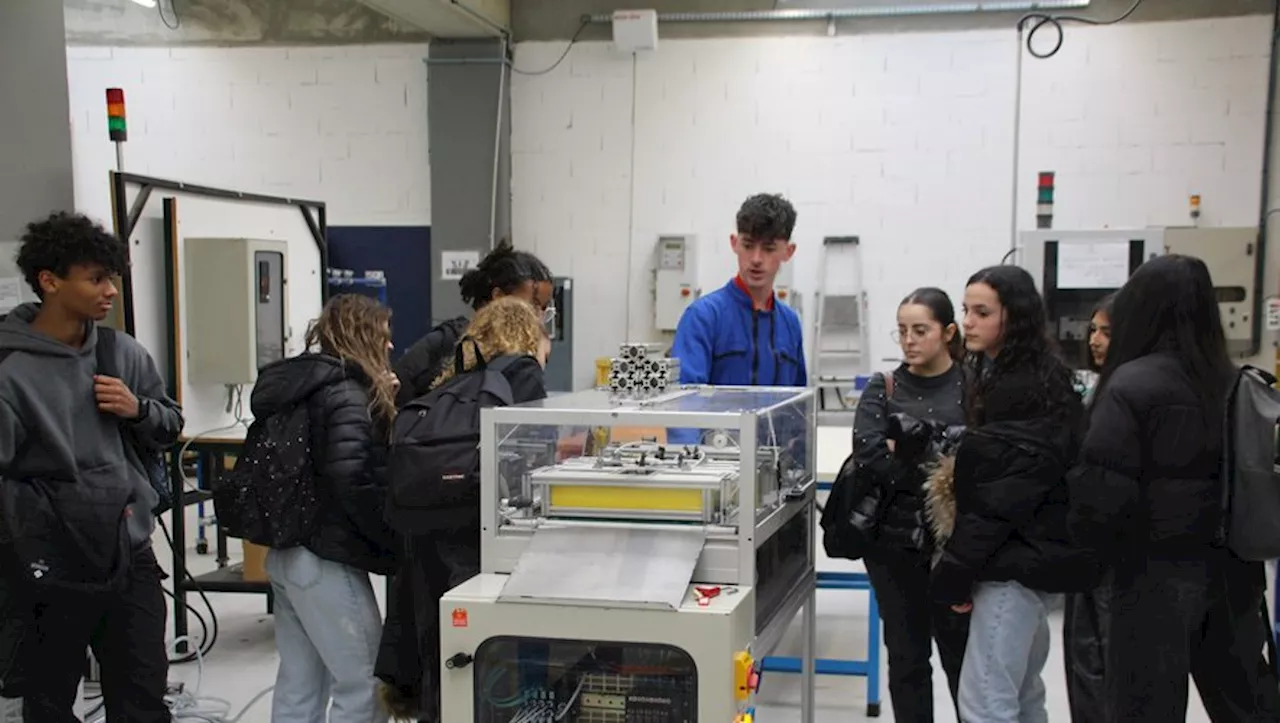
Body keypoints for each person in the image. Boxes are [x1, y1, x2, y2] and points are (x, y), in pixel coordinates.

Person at [1068, 254, 1280, 722]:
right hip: (1234, 572)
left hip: (1152, 576)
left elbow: (1102, 493)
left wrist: (1083, 560)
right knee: (1244, 702)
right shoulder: (1233, 380)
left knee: (1146, 706)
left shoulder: (1131, 383)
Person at [0, 211, 183, 722]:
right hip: (50, 562)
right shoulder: (10, 372)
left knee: (143, 697)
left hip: (129, 554)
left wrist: (138, 409)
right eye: (96, 279)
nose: (111, 292)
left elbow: (170, 425)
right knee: (49, 699)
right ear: (50, 281)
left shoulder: (119, 353)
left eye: (113, 279)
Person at [928, 265, 1091, 723]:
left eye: (982, 312)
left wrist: (954, 575)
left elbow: (994, 506)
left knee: (985, 704)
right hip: (1031, 563)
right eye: (966, 310)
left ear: (1013, 317)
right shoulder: (1032, 377)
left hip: (1011, 568)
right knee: (1022, 694)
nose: (969, 322)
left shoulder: (1019, 391)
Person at [379, 296, 550, 723]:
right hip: (475, 540)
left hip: (423, 540)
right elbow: (533, 460)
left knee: (441, 653)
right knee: (488, 660)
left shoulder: (452, 382)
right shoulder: (521, 373)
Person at [252, 294, 400, 723]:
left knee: (300, 687)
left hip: (287, 555)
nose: (390, 347)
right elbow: (352, 479)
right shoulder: (348, 394)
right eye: (384, 337)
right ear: (364, 336)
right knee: (366, 687)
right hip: (325, 561)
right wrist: (391, 542)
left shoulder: (305, 385)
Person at [846, 288, 969, 722]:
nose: (909, 340)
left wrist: (912, 452)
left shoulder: (973, 386)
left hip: (956, 548)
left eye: (920, 330)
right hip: (893, 548)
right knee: (907, 659)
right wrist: (940, 463)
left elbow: (983, 458)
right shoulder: (886, 386)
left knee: (964, 661)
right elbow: (870, 454)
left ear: (948, 332)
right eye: (902, 331)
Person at [671, 193, 806, 388]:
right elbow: (686, 401)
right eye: (748, 246)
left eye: (768, 249)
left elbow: (798, 405)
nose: (756, 259)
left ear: (788, 251)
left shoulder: (790, 324)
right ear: (734, 243)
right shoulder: (704, 317)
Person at [394, 240, 553, 406]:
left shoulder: (528, 358)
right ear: (499, 297)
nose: (538, 317)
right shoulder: (447, 341)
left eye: (543, 308)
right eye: (532, 305)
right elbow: (398, 387)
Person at [1063, 292, 1114, 723]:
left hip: (1111, 548)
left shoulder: (1125, 391)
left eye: (1106, 332)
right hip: (1083, 543)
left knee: (1100, 661)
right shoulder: (1091, 386)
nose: (1095, 340)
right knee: (1084, 656)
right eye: (1092, 330)